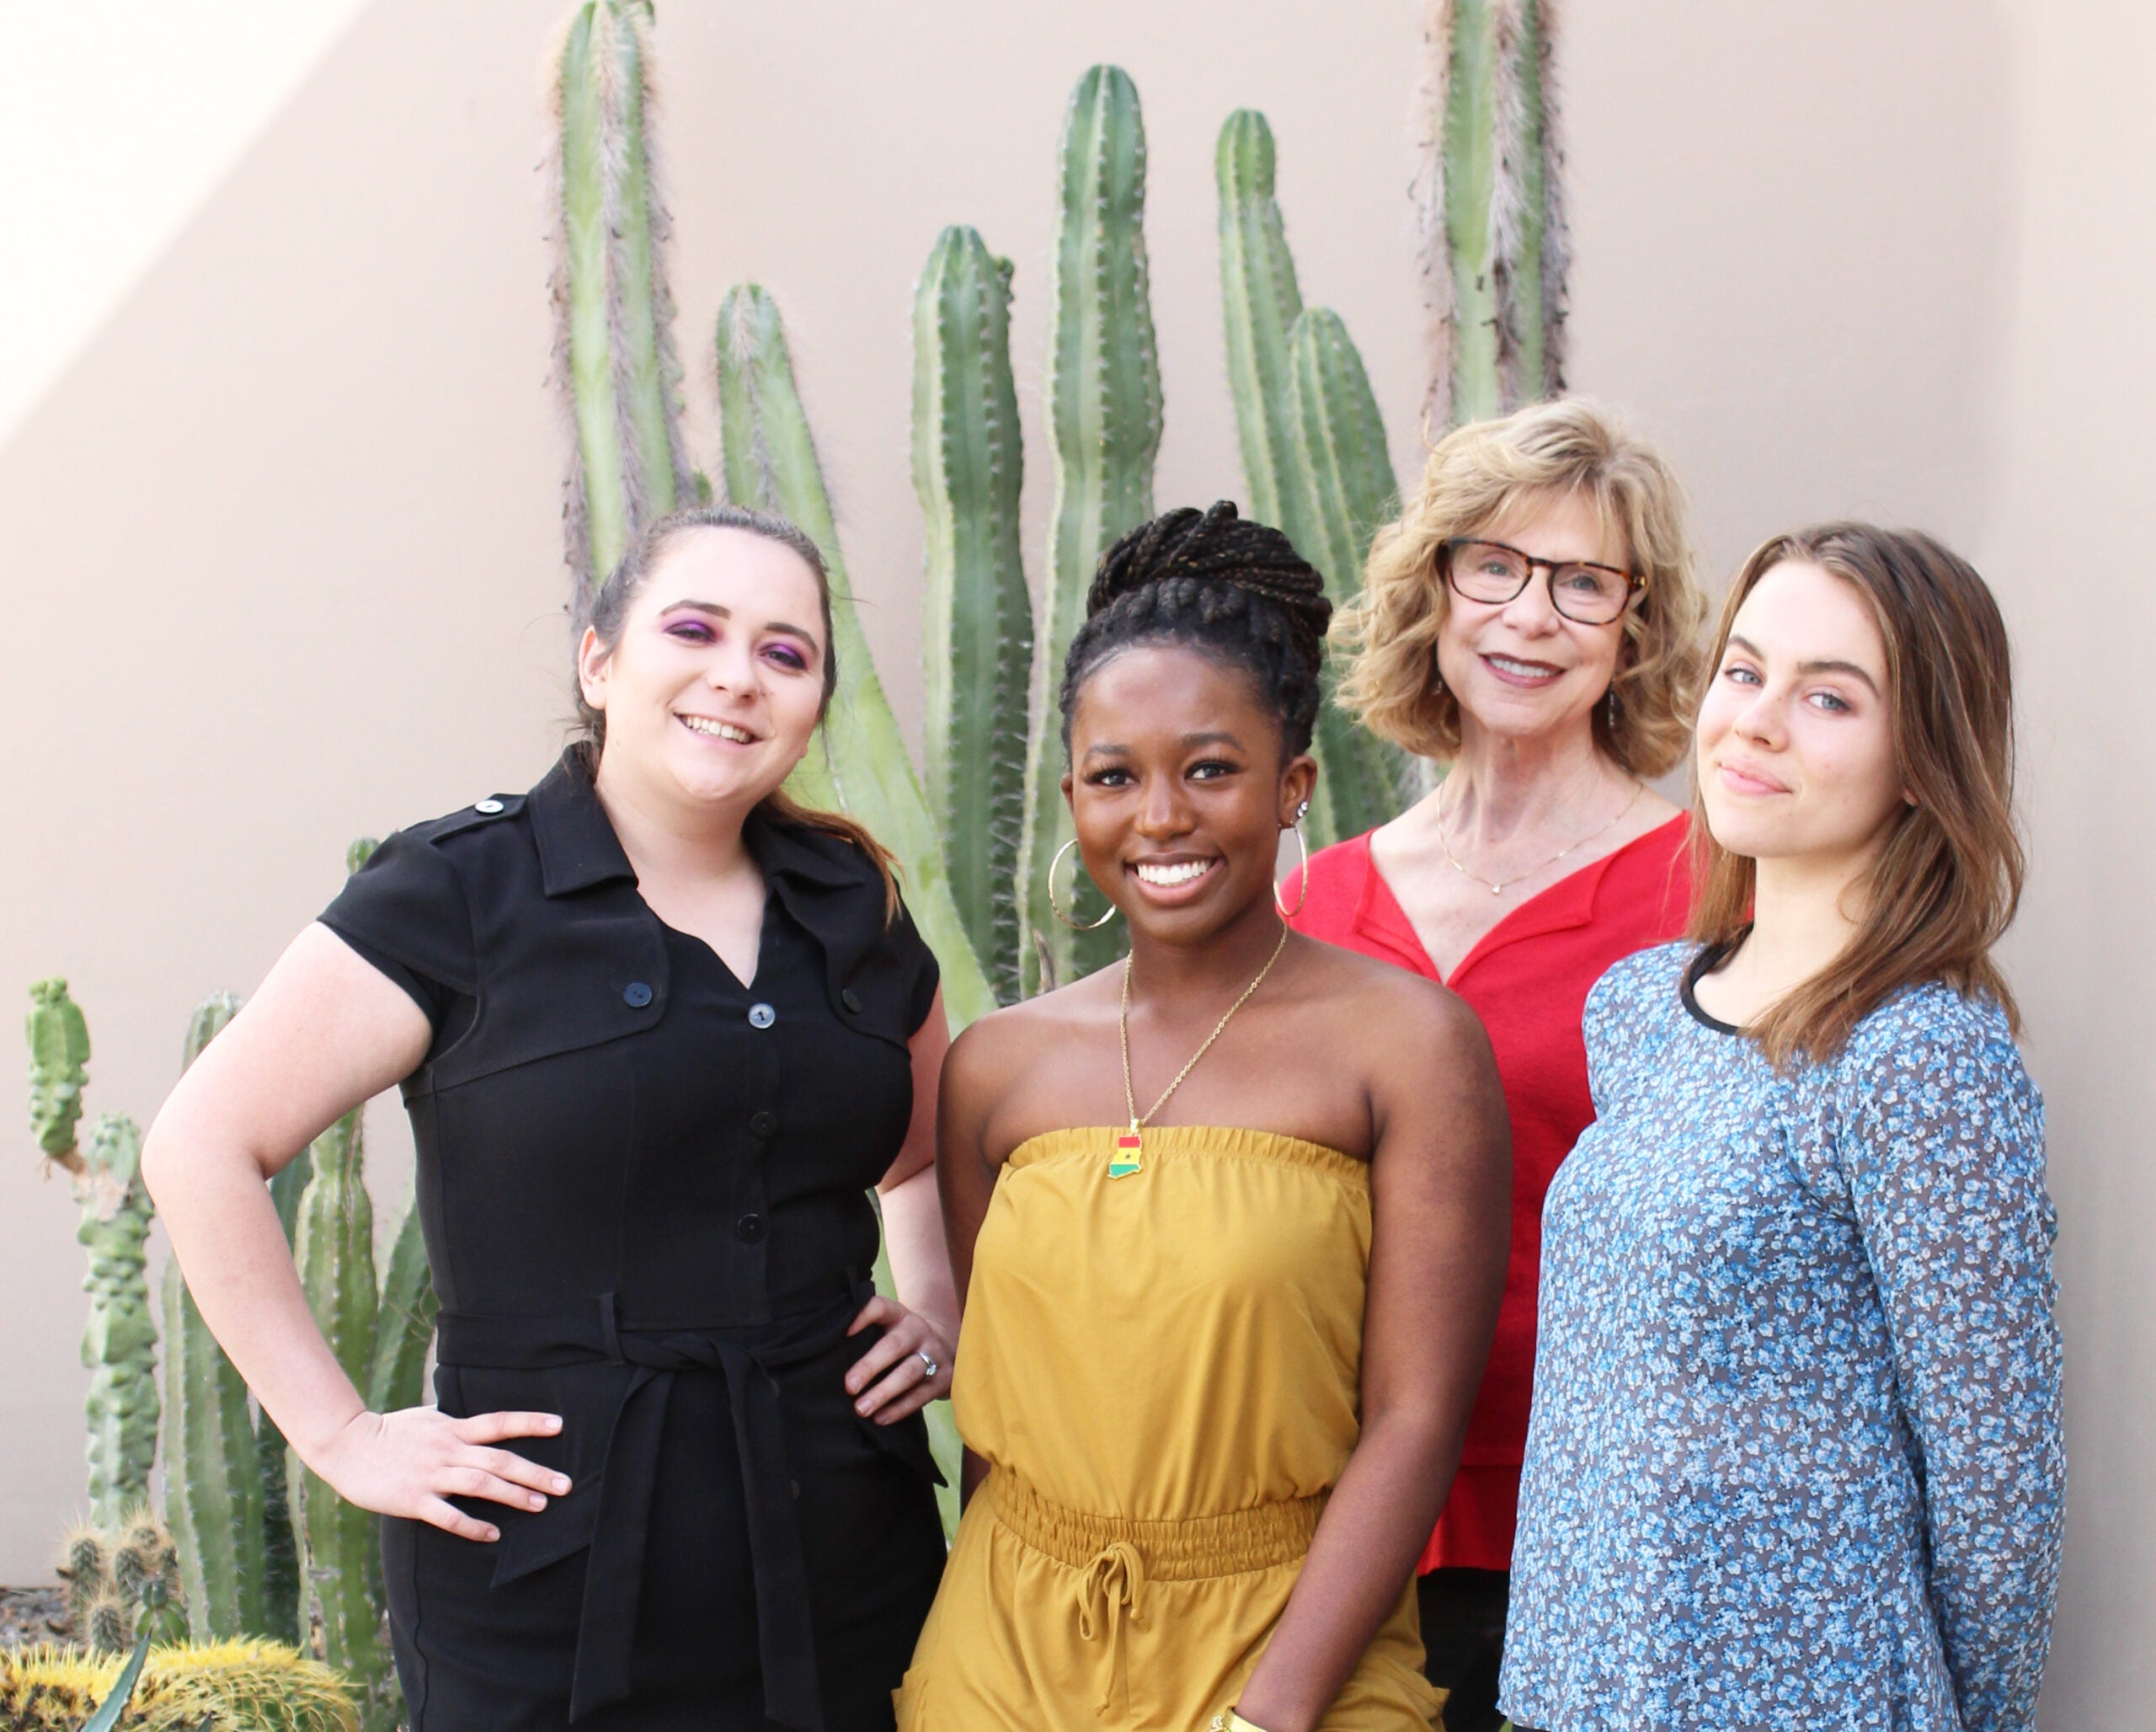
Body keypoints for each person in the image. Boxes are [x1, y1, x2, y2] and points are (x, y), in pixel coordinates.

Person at [142, 505, 958, 1732]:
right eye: (696, 628)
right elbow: (201, 1144)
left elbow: (922, 1151)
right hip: (541, 1582)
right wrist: (343, 1434)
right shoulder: (458, 889)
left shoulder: (857, 905)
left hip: (845, 1540)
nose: (738, 675)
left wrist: (942, 1310)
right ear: (600, 661)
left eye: (787, 654)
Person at [896, 502, 1511, 1732]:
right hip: (1004, 1651)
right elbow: (1001, 1423)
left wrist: (1272, 1714)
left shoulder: (1408, 1047)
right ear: (1072, 796)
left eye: (1210, 769)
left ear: (1293, 787)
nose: (1161, 817)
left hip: (1290, 1646)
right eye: (1116, 778)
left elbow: (1415, 1415)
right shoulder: (996, 1070)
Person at [1500, 524, 2064, 1732]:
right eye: (1745, 672)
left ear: (1923, 760)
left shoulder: (1920, 1056)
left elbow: (1998, 1489)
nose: (1754, 721)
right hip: (1584, 1689)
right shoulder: (1641, 1008)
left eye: (1829, 698)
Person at [1289, 399, 1707, 1729]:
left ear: (1634, 626)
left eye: (1585, 582)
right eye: (1498, 567)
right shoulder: (1315, 901)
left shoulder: (1704, 897)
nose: (1532, 617)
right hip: (1333, 1521)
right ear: (1438, 590)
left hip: (1592, 1529)